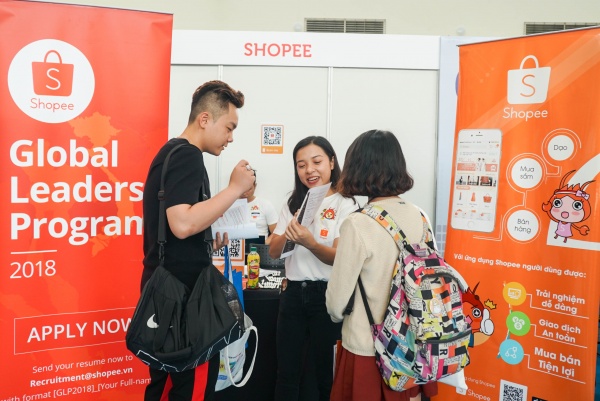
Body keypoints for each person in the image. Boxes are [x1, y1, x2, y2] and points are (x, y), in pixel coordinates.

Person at [140, 80, 255, 401]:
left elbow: (178, 227)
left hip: (168, 295)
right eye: (229, 127)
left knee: (165, 384)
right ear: (205, 119)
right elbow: (182, 223)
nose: (231, 137)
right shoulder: (187, 156)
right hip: (182, 300)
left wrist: (208, 242)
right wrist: (234, 189)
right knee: (188, 388)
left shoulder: (171, 153)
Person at [325, 129, 438, 401]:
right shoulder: (420, 216)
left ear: (356, 169)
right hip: (412, 346)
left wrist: (335, 314)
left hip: (368, 348)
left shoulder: (358, 223)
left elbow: (336, 303)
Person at [269, 136, 357, 401]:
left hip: (328, 297)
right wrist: (290, 231)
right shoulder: (293, 202)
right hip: (293, 294)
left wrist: (310, 243)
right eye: (301, 165)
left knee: (326, 375)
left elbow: (341, 258)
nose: (309, 170)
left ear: (331, 162)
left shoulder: (346, 203)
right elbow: (274, 252)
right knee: (286, 373)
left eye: (316, 162)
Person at [240, 171, 278, 244]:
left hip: (259, 250)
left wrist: (264, 245)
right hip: (235, 250)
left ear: (255, 186)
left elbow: (276, 232)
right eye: (242, 188)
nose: (245, 192)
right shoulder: (229, 206)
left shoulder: (265, 204)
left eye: (249, 188)